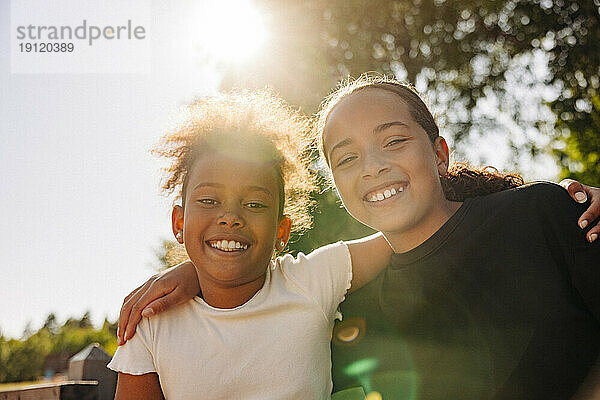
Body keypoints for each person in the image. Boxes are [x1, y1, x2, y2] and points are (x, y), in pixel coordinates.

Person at [116, 77, 600, 399]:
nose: (373, 166)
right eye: (347, 158)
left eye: (393, 141)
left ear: (440, 153)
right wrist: (194, 271)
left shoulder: (546, 214)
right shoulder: (354, 305)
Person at [107, 90, 392, 400]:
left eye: (255, 204)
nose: (230, 217)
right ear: (179, 223)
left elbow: (402, 236)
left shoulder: (312, 280)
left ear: (282, 231)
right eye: (208, 200)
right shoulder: (150, 322)